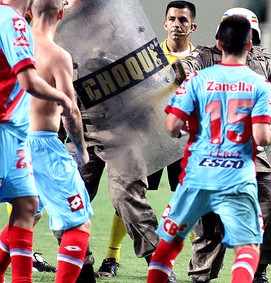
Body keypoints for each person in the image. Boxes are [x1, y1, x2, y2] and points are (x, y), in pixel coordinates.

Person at [146, 14, 271, 283]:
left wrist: (191, 129)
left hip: (198, 176)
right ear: (250, 45)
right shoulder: (259, 85)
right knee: (247, 249)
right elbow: (262, 137)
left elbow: (171, 126)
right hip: (237, 179)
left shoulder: (197, 79)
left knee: (167, 248)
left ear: (218, 43)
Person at [96, 0, 197, 278]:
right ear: (164, 24)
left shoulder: (200, 60)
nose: (177, 24)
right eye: (172, 19)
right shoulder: (148, 56)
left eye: (183, 20)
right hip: (148, 136)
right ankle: (111, 257)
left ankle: (183, 261)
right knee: (131, 193)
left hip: (183, 142)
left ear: (193, 27)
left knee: (187, 200)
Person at [0, 0, 74, 282]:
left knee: (28, 205)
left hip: (15, 135)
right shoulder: (13, 21)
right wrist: (63, 98)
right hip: (3, 130)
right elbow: (28, 80)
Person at [26, 0, 94, 282]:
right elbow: (71, 111)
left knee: (26, 218)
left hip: (14, 142)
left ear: (29, 11)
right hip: (43, 145)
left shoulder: (11, 47)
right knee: (80, 224)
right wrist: (81, 151)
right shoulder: (57, 56)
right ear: (62, 14)